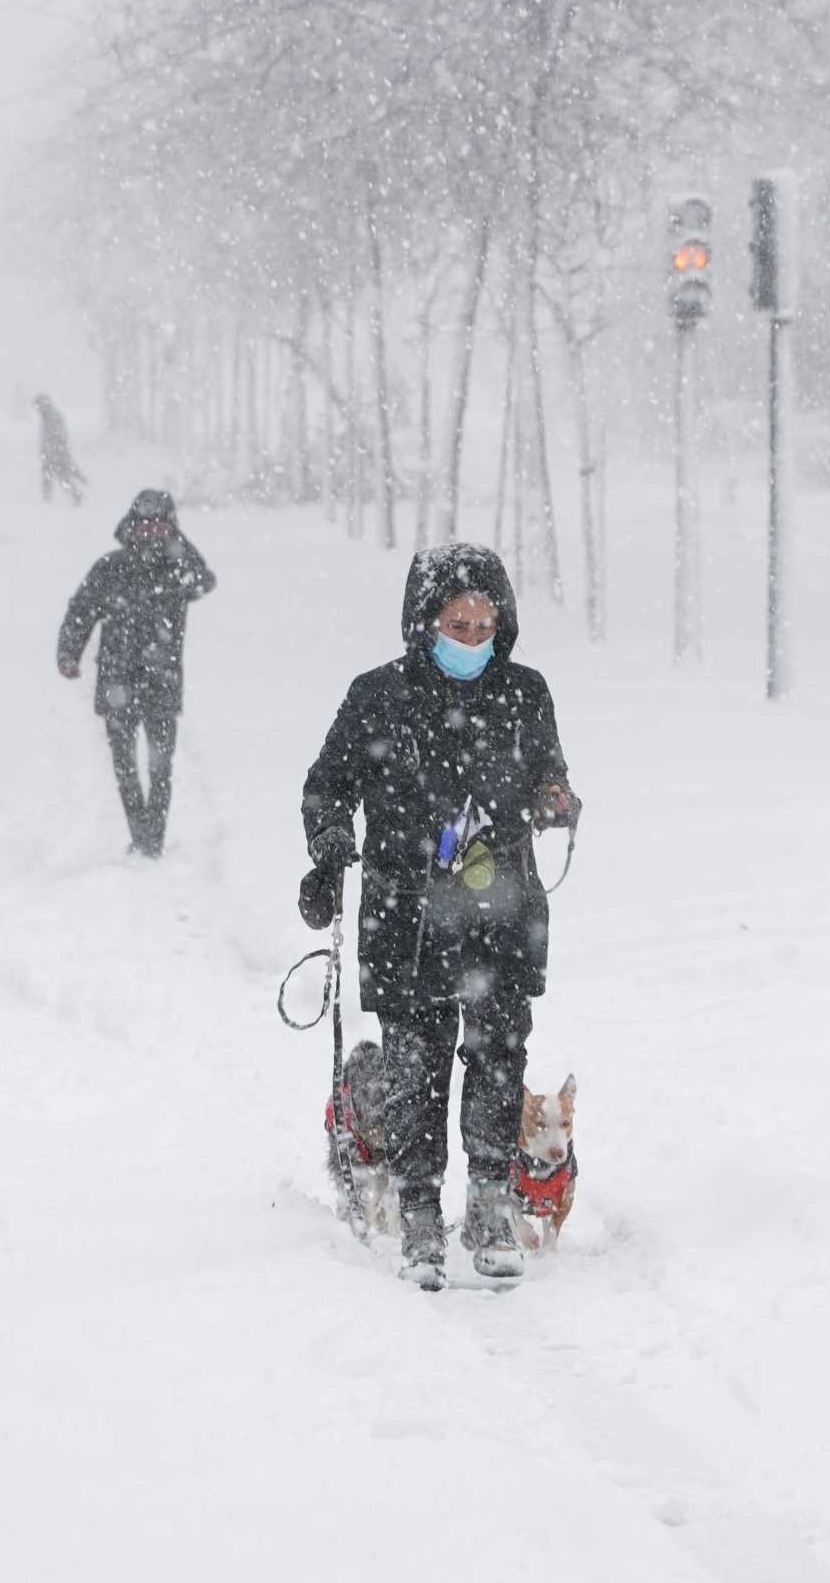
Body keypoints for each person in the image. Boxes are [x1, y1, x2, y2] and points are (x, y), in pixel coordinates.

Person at [298, 543, 579, 1289]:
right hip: (408, 916)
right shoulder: (377, 698)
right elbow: (327, 784)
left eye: (484, 625)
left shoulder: (526, 693)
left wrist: (554, 796)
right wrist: (329, 851)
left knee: (497, 1058)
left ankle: (489, 1203)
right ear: (423, 623)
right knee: (414, 1069)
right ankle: (420, 1212)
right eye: (456, 624)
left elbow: (549, 766)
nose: (471, 638)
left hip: (502, 910)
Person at [57, 489, 216, 856]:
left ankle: (152, 841)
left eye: (160, 524)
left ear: (171, 528)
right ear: (131, 525)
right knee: (125, 767)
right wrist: (69, 653)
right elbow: (80, 611)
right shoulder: (110, 568)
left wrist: (178, 543)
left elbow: (204, 580)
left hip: (162, 682)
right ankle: (140, 833)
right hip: (117, 681)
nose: (151, 531)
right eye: (144, 523)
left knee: (160, 768)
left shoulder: (178, 571)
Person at [34, 392, 86, 505]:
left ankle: (77, 495)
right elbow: (47, 436)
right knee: (50, 476)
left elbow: (59, 436)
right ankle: (47, 499)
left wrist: (56, 451)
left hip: (56, 454)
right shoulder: (47, 416)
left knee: (63, 477)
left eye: (38, 406)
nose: (37, 410)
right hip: (50, 454)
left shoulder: (52, 417)